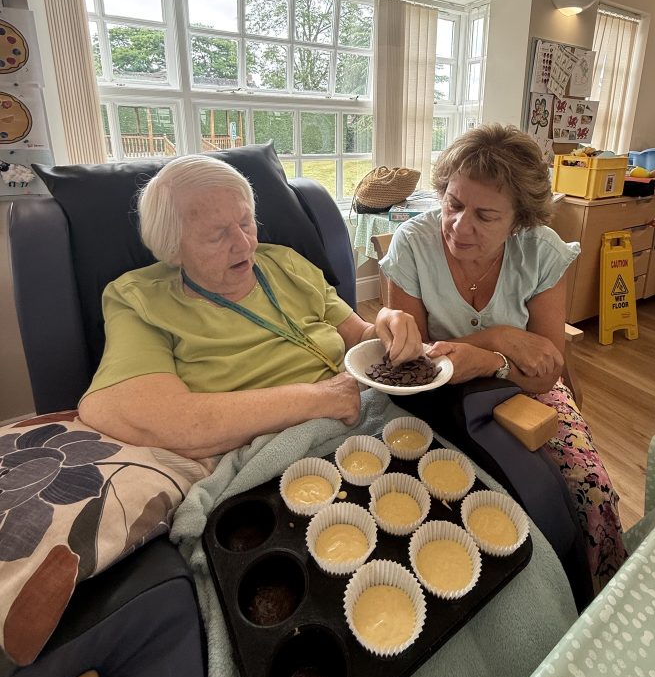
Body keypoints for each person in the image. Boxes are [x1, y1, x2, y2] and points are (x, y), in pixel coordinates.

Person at [381, 123, 627, 591]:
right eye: (453, 204)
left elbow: (545, 370)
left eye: (485, 215)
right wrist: (500, 339)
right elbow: (407, 363)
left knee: (591, 494)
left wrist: (490, 356)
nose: (459, 225)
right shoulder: (413, 244)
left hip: (520, 391)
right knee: (435, 503)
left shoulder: (541, 253)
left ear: (518, 220)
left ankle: (596, 603)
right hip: (434, 395)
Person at [78, 155, 423, 458]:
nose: (244, 244)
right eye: (217, 235)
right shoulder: (140, 300)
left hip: (359, 422)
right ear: (173, 247)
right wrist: (318, 398)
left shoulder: (287, 263)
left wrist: (384, 325)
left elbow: (356, 336)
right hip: (261, 449)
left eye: (245, 223)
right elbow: (152, 415)